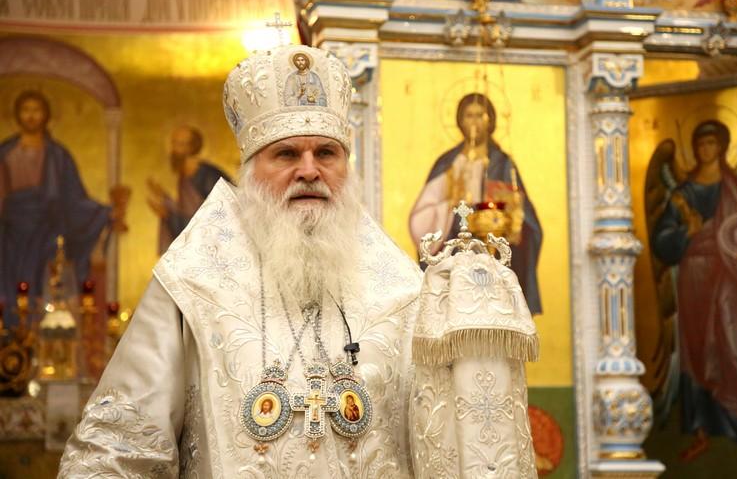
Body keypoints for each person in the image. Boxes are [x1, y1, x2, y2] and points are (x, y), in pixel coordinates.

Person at [59, 45, 537, 478]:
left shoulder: (401, 290)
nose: (309, 170)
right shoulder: (191, 282)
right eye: (286, 154)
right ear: (250, 171)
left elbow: (447, 444)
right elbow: (118, 446)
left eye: (326, 153)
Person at [651, 120, 737, 472]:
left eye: (712, 142)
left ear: (723, 146)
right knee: (698, 353)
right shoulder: (681, 194)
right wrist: (686, 233)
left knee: (735, 349)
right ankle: (701, 433)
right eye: (700, 143)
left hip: (731, 279)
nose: (705, 149)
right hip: (694, 279)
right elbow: (661, 242)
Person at [0, 91, 126, 328]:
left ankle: (44, 336)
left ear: (46, 115)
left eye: (36, 110)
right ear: (16, 114)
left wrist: (104, 214)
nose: (31, 116)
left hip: (47, 233)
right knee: (10, 290)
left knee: (46, 288)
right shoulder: (5, 152)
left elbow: (74, 200)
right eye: (26, 110)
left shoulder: (58, 156)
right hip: (11, 237)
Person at [409, 92, 544, 314]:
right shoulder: (448, 163)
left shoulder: (503, 164)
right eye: (469, 115)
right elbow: (421, 217)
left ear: (491, 120)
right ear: (459, 121)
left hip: (494, 259)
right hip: (455, 258)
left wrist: (509, 219)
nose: (474, 122)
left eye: (480, 115)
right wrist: (449, 208)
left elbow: (529, 224)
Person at [147, 125, 230, 253]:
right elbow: (187, 212)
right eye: (173, 143)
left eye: (180, 144)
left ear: (192, 147)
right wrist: (164, 197)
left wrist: (168, 215)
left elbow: (213, 221)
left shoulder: (208, 175)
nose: (174, 149)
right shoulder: (185, 176)